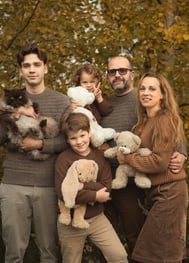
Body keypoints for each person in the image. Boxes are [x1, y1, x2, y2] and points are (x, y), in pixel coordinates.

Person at [100, 56, 187, 262]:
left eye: (122, 70)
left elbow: (167, 145)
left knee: (148, 248)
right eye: (112, 72)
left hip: (147, 187)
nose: (117, 75)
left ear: (132, 74)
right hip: (113, 182)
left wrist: (183, 153)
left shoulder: (158, 113)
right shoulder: (106, 105)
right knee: (148, 249)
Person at [0, 44, 72, 263]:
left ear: (45, 69)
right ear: (21, 71)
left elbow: (70, 140)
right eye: (26, 66)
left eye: (36, 65)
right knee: (13, 252)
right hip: (14, 184)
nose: (32, 69)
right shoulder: (7, 101)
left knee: (49, 251)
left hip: (48, 185)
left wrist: (39, 144)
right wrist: (13, 113)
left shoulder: (61, 102)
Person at [55, 112, 128, 263]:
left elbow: (106, 187)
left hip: (97, 218)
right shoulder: (63, 159)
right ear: (67, 140)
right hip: (70, 224)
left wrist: (82, 186)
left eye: (82, 135)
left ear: (89, 132)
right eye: (73, 138)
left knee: (119, 256)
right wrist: (95, 196)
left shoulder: (100, 157)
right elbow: (64, 193)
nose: (79, 141)